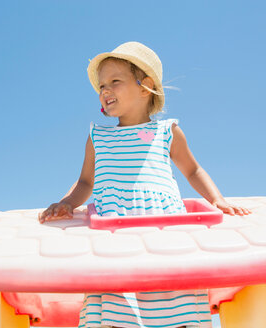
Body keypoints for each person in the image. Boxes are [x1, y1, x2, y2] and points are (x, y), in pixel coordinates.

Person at [38, 41, 251, 328]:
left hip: (163, 229)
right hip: (114, 232)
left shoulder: (167, 131)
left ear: (144, 86)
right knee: (114, 304)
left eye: (115, 81)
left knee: (174, 301)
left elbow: (193, 170)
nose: (105, 91)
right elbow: (86, 181)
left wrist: (218, 200)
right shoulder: (98, 137)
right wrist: (66, 203)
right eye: (101, 86)